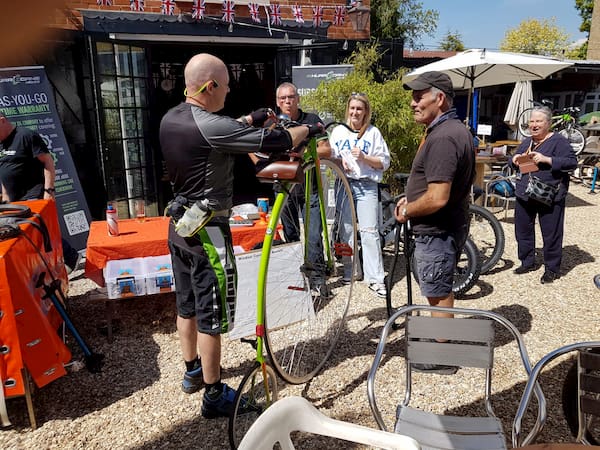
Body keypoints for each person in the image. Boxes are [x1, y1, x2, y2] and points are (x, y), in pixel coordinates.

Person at [159, 53, 320, 419]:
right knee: (211, 315)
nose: (230, 90)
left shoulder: (173, 117)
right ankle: (215, 395)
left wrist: (248, 118)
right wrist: (310, 128)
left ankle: (192, 372)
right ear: (210, 86)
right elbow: (277, 140)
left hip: (178, 226)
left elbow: (216, 129)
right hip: (208, 233)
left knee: (186, 304)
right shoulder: (211, 126)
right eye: (227, 85)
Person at [397, 72, 475, 374]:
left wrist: (408, 211)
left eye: (419, 96)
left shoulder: (443, 137)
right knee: (439, 286)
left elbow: (438, 197)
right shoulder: (451, 129)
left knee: (438, 291)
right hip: (445, 226)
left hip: (437, 229)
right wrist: (410, 200)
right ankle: (443, 344)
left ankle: (442, 358)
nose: (413, 103)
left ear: (439, 98)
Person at [0, 112, 80, 272]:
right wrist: (5, 195)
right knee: (25, 235)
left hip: (33, 194)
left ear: (2, 121)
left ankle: (71, 257)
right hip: (14, 200)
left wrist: (49, 190)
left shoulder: (26, 136)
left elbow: (48, 162)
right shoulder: (1, 144)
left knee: (38, 231)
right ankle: (38, 269)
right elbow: (4, 172)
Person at [329, 93, 390, 298]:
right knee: (345, 230)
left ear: (366, 112)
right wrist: (340, 162)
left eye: (359, 109)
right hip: (343, 183)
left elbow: (384, 162)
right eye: (352, 108)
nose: (355, 112)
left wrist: (364, 157)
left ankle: (376, 278)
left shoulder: (372, 133)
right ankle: (351, 271)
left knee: (369, 231)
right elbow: (330, 156)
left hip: (366, 185)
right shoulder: (338, 131)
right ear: (348, 109)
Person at [509, 106, 577, 284]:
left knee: (551, 233)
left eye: (538, 121)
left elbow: (572, 163)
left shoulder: (559, 141)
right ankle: (527, 261)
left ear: (548, 123)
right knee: (523, 230)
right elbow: (513, 158)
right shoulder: (527, 141)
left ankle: (552, 269)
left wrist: (548, 160)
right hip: (525, 193)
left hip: (549, 195)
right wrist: (514, 159)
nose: (534, 125)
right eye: (531, 121)